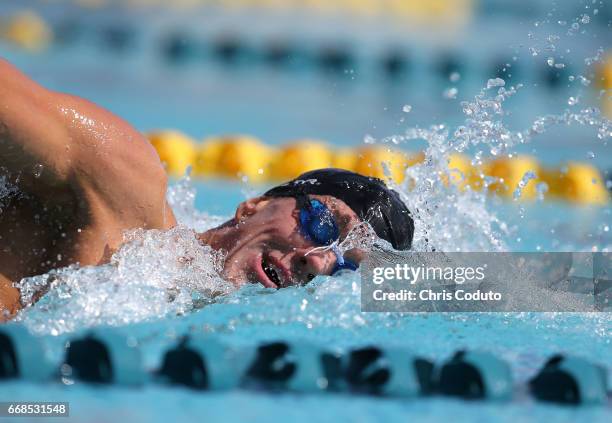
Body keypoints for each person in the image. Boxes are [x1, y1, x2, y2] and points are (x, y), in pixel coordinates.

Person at [0, 59, 414, 320]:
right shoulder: (121, 184)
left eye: (342, 266)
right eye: (321, 223)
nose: (319, 262)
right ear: (254, 206)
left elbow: (471, 288)